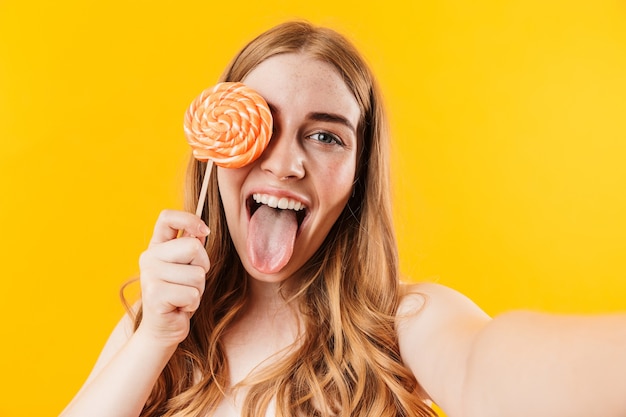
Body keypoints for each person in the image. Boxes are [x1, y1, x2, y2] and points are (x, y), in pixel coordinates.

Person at [60, 21, 626, 417]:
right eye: (265, 123)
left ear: (358, 172)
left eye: (326, 135)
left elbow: (490, 375)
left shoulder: (403, 325)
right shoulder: (158, 329)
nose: (285, 163)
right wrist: (155, 336)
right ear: (216, 147)